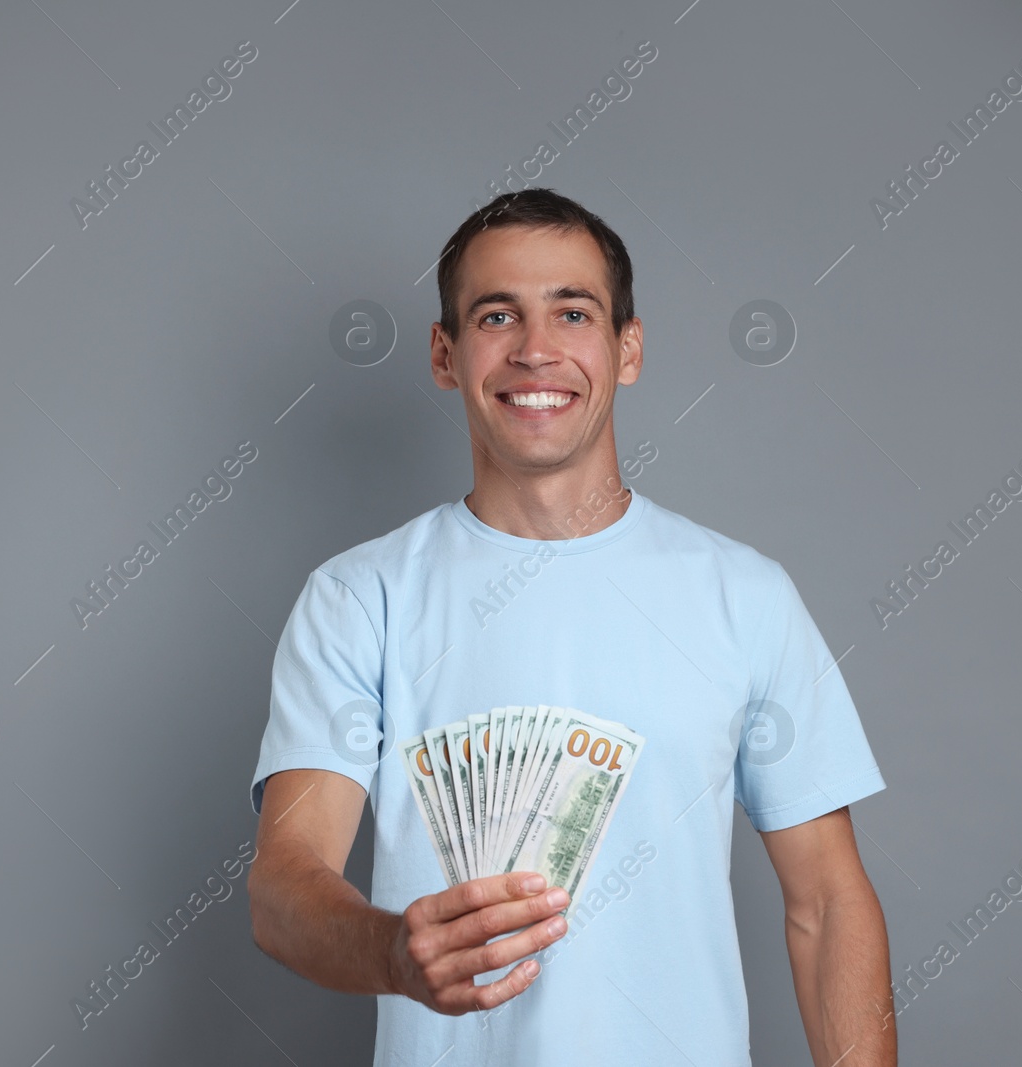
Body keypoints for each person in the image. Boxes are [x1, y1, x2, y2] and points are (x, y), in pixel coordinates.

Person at [246, 187, 897, 1066]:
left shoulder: (745, 595)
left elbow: (827, 902)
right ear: (445, 354)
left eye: (573, 312)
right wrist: (393, 952)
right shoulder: (360, 597)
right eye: (497, 315)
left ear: (628, 348)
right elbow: (284, 886)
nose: (536, 350)